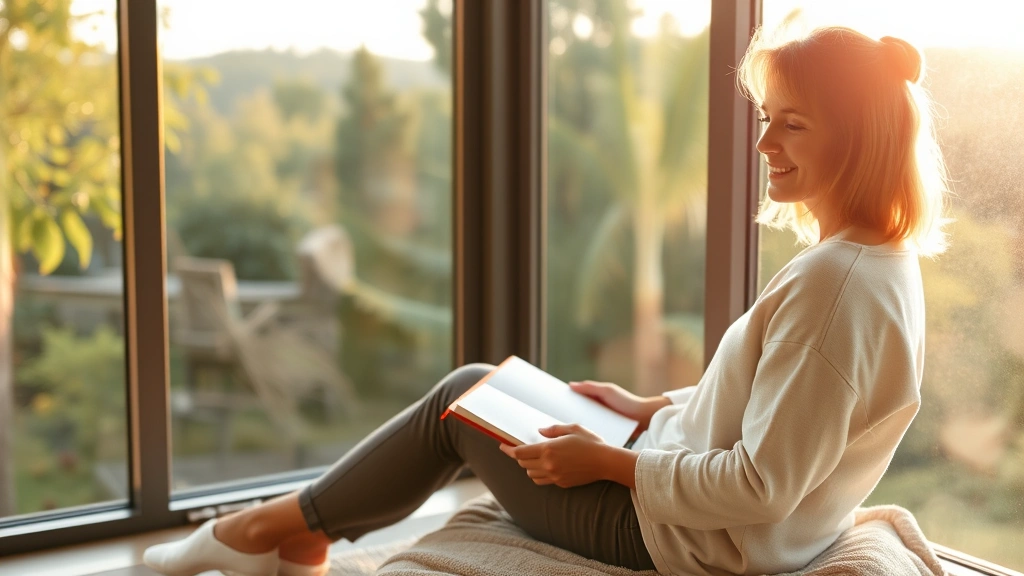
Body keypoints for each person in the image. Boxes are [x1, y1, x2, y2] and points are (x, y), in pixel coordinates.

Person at [143, 23, 948, 576]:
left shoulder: (834, 287)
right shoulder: (876, 265)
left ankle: (255, 533)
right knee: (491, 390)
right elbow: (778, 411)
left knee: (464, 398)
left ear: (858, 136)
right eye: (767, 120)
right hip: (702, 503)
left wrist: (608, 461)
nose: (765, 144)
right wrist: (647, 405)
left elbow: (760, 485)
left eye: (793, 125)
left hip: (683, 539)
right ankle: (288, 536)